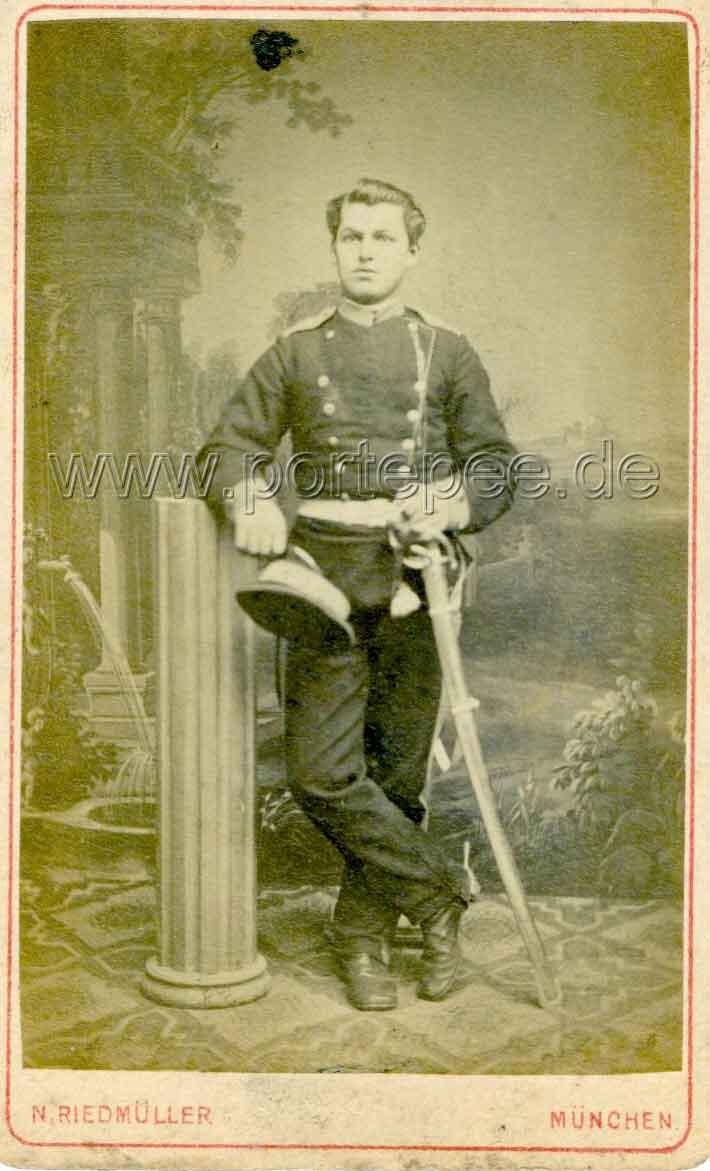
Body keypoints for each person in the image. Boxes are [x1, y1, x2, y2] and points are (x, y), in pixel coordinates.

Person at [199, 178, 516, 1010]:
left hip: (419, 579)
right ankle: (441, 895)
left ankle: (362, 936)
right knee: (321, 772)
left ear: (412, 251)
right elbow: (227, 446)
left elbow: (495, 465)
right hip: (321, 586)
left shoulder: (447, 351)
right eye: (352, 237)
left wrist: (449, 504)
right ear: (335, 246)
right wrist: (249, 496)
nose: (366, 251)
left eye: (383, 237)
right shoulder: (295, 352)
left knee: (398, 775)